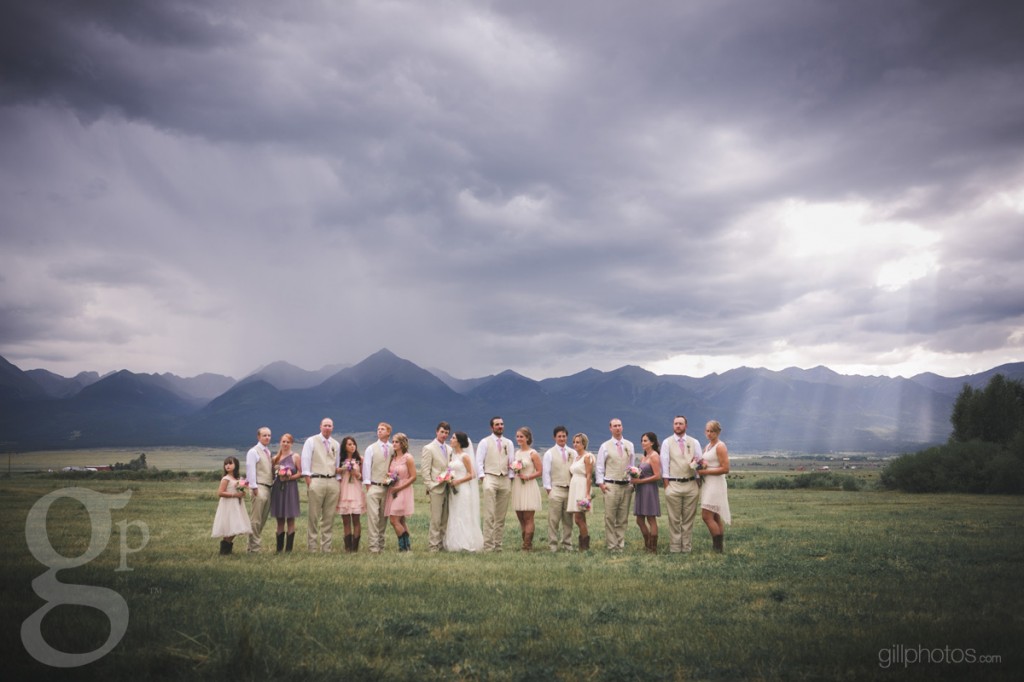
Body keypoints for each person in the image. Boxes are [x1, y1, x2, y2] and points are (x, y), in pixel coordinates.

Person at [661, 415, 702, 553]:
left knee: (688, 519)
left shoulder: (694, 442)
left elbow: (699, 464)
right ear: (673, 426)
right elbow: (664, 465)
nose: (678, 426)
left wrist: (697, 484)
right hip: (674, 484)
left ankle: (686, 548)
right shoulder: (667, 442)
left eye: (681, 423)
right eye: (676, 423)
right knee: (674, 519)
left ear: (686, 425)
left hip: (691, 484)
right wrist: (667, 486)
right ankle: (674, 548)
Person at [301, 417, 341, 552]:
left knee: (329, 516)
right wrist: (308, 480)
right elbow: (305, 460)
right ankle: (312, 547)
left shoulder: (336, 444)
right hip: (316, 479)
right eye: (325, 425)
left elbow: (337, 464)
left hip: (332, 481)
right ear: (320, 426)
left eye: (330, 426)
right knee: (313, 516)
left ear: (333, 428)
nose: (327, 428)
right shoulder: (311, 441)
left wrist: (338, 480)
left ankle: (326, 547)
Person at [596, 418, 635, 552]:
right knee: (610, 517)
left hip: (626, 486)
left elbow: (632, 465)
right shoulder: (605, 446)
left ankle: (620, 545)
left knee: (623, 518)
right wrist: (601, 484)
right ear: (610, 428)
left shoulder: (630, 445)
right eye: (615, 426)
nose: (617, 428)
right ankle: (612, 546)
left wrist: (632, 482)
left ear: (622, 428)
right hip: (610, 485)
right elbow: (600, 466)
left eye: (619, 425)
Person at [476, 416, 514, 552]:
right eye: (497, 424)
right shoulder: (484, 442)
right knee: (489, 514)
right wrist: (482, 477)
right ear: (491, 427)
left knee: (501, 515)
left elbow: (512, 461)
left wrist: (510, 477)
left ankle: (498, 545)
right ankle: (488, 546)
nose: (500, 426)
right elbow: (479, 460)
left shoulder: (509, 443)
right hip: (490, 477)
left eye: (502, 424)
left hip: (504, 479)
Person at [444, 431, 484, 552]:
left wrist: (458, 481)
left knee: (463, 514)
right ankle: (454, 542)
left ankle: (466, 543)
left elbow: (472, 474)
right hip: (453, 490)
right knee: (454, 513)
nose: (450, 439)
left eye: (453, 438)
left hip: (463, 489)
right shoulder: (453, 455)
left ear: (459, 441)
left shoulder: (465, 456)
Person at [420, 421, 453, 552]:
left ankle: (442, 545)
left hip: (448, 487)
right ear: (436, 432)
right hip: (436, 488)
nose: (444, 435)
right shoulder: (428, 448)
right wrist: (431, 486)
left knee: (445, 519)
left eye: (446, 433)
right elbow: (425, 470)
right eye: (442, 432)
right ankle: (433, 546)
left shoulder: (449, 449)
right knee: (436, 519)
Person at [542, 425, 575, 552]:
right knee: (553, 519)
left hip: (570, 490)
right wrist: (549, 489)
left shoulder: (573, 452)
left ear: (567, 437)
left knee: (568, 520)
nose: (562, 438)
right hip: (556, 489)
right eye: (559, 436)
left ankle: (567, 544)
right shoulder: (549, 453)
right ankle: (553, 545)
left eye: (564, 436)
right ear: (554, 437)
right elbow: (546, 472)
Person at [700, 420, 732, 553]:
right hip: (707, 483)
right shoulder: (707, 446)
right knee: (715, 516)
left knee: (706, 516)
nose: (709, 433)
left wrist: (705, 471)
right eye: (707, 431)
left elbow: (725, 468)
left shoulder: (720, 446)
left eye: (712, 431)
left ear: (718, 432)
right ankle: (719, 547)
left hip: (716, 483)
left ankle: (717, 546)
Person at [362, 422, 393, 554]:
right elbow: (366, 467)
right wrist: (369, 486)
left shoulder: (393, 448)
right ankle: (373, 547)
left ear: (388, 432)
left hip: (388, 488)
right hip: (374, 486)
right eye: (378, 429)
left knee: (383, 518)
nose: (379, 431)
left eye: (382, 429)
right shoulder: (371, 448)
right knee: (373, 518)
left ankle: (381, 545)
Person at [212, 456, 252, 555]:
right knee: (232, 527)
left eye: (230, 463)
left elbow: (238, 489)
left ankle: (226, 549)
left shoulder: (237, 479)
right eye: (226, 464)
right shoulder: (225, 479)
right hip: (228, 505)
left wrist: (242, 493)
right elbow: (220, 493)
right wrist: (235, 495)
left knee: (234, 527)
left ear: (236, 465)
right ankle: (225, 550)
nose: (228, 466)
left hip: (237, 505)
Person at [511, 426, 543, 551]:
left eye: (521, 437)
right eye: (517, 436)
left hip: (529, 486)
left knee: (528, 517)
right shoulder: (517, 453)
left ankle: (527, 545)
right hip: (518, 485)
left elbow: (540, 471)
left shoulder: (533, 454)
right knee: (520, 517)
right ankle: (524, 540)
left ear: (527, 438)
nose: (519, 439)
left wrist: (528, 477)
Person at [245, 427, 274, 553]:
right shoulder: (253, 451)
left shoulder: (267, 452)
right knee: (256, 519)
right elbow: (250, 470)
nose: (267, 437)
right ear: (258, 437)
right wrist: (254, 487)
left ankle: (251, 546)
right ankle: (255, 548)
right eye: (264, 435)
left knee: (262, 519)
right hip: (259, 487)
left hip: (268, 487)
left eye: (269, 435)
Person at [386, 432, 417, 551]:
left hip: (403, 490)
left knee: (393, 520)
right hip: (393, 489)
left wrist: (399, 488)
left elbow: (413, 477)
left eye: (396, 442)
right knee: (400, 520)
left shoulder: (408, 458)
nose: (393, 444)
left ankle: (402, 546)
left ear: (402, 443)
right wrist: (389, 480)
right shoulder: (393, 458)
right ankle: (407, 547)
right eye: (393, 441)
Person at [270, 433, 300, 553]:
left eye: (288, 442)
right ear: (280, 442)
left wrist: (289, 477)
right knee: (280, 519)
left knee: (291, 518)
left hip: (291, 488)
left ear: (291, 443)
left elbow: (300, 473)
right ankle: (279, 549)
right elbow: (272, 475)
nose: (285, 444)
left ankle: (289, 549)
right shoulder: (275, 458)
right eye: (283, 441)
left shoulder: (295, 457)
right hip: (278, 489)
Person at [633, 432, 663, 553]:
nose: (643, 443)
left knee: (651, 519)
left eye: (645, 440)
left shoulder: (655, 456)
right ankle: (647, 543)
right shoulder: (644, 456)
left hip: (649, 489)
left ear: (652, 442)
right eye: (642, 440)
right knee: (639, 520)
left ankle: (653, 547)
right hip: (640, 490)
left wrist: (641, 481)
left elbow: (657, 476)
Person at [566, 433, 594, 551]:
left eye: (578, 442)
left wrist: (587, 494)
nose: (575, 444)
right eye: (574, 442)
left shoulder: (588, 457)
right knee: (580, 517)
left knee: (578, 518)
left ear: (584, 444)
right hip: (574, 485)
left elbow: (589, 476)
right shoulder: (576, 457)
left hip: (582, 486)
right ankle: (582, 544)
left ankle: (584, 545)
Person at [337, 435, 365, 553]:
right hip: (343, 491)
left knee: (356, 519)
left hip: (356, 491)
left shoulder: (360, 459)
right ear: (344, 446)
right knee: (346, 521)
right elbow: (335, 471)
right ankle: (347, 547)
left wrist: (356, 473)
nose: (352, 446)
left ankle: (355, 548)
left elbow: (364, 477)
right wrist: (343, 469)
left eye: (353, 444)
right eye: (349, 444)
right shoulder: (340, 460)